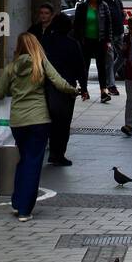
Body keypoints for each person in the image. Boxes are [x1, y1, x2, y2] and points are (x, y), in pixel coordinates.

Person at [0, 32, 77, 219]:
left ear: (19, 46)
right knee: (33, 163)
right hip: (39, 120)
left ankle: (17, 202)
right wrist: (73, 90)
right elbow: (59, 82)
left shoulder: (11, 67)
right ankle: (24, 209)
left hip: (18, 122)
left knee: (23, 160)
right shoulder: (41, 62)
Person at [43, 13, 88, 165]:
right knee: (63, 123)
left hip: (48, 85)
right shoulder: (72, 44)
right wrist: (84, 87)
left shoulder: (45, 42)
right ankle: (58, 153)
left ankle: (50, 150)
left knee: (49, 120)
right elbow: (80, 67)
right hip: (67, 87)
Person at [72, 0, 113, 101]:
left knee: (101, 66)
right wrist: (78, 40)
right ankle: (84, 90)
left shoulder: (103, 6)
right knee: (84, 66)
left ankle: (104, 91)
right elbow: (77, 25)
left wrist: (108, 41)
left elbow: (108, 25)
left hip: (100, 41)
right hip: (85, 41)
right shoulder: (82, 7)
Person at [101, 0, 125, 97]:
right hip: (108, 35)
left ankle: (109, 78)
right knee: (109, 60)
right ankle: (111, 85)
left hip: (119, 32)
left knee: (123, 55)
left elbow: (121, 9)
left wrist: (123, 15)